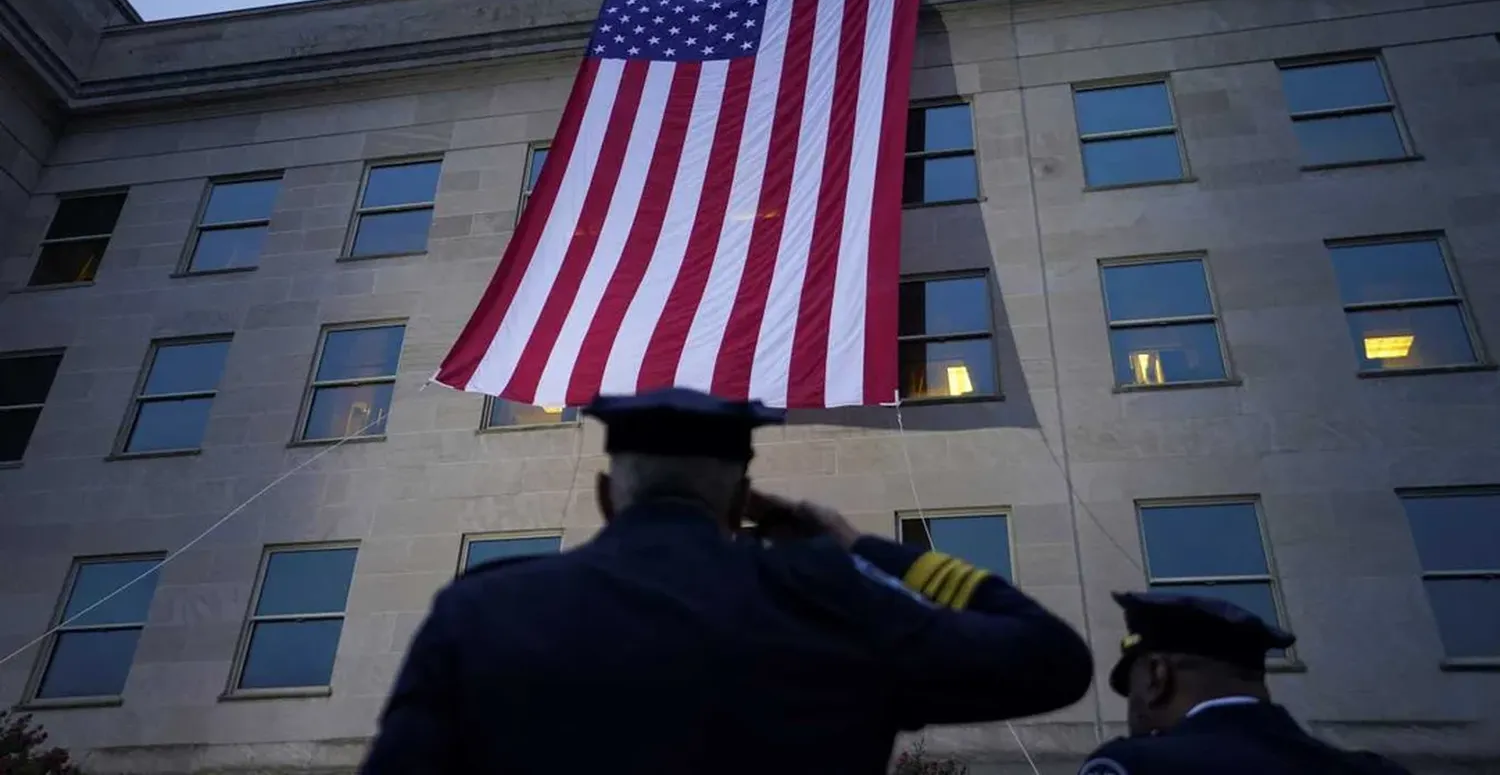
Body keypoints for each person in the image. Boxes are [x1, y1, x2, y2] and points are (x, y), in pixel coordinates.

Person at [362, 387, 1094, 775]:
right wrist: (864, 548)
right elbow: (1051, 658)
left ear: (607, 494)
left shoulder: (483, 608)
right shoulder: (829, 597)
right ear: (744, 501)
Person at [1078, 591, 1412, 775]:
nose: (1132, 708)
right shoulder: (1377, 772)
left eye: (1130, 689)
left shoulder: (1138, 766)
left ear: (1156, 676)